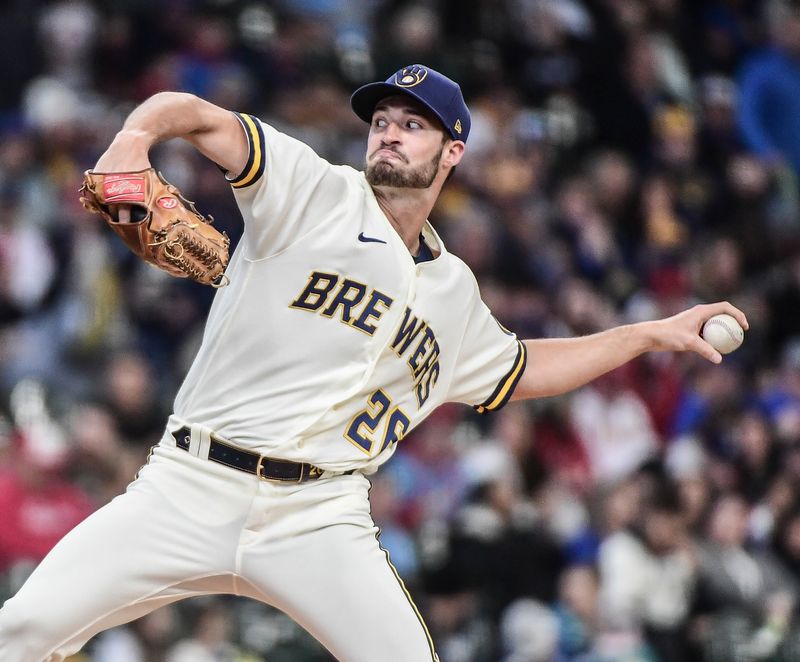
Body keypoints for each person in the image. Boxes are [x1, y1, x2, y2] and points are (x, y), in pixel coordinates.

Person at [0, 63, 748, 662]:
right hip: (189, 484)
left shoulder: (455, 291)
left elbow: (521, 369)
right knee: (20, 634)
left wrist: (647, 335)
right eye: (382, 121)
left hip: (318, 517)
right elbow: (193, 114)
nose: (389, 134)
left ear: (453, 151)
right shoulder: (311, 188)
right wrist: (135, 135)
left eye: (413, 126)